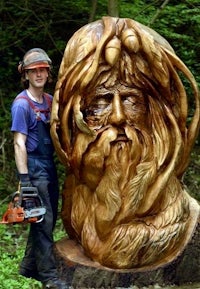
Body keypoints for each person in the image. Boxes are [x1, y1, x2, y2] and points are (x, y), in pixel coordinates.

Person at [11, 48, 68, 289]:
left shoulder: (50, 101)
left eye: (43, 70)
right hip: (33, 166)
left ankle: (28, 265)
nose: (39, 74)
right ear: (26, 74)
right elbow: (19, 143)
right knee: (43, 221)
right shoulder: (21, 105)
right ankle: (49, 277)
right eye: (34, 70)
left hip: (49, 165)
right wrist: (24, 179)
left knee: (44, 217)